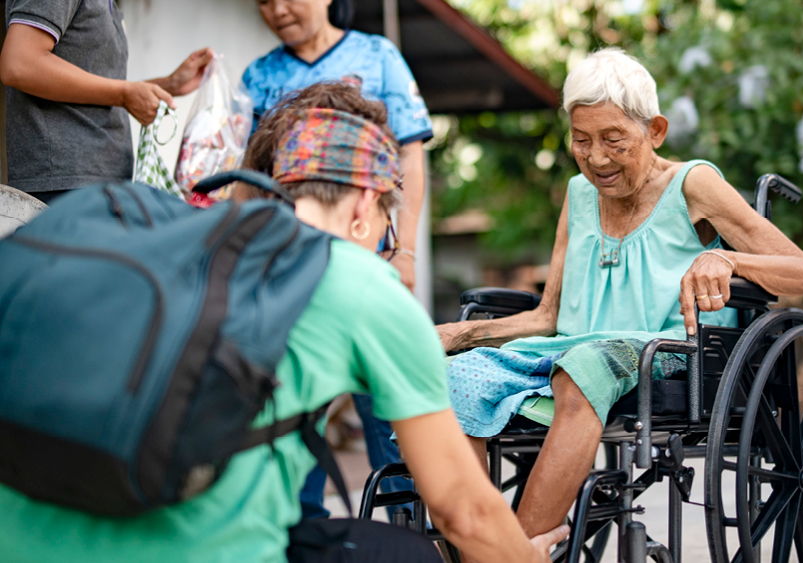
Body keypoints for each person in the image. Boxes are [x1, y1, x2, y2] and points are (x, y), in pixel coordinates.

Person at [0, 82, 568, 563]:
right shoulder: (358, 281)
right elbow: (464, 511)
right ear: (365, 205)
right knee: (412, 553)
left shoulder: (156, 239)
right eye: (385, 233)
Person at [435, 48, 803, 540]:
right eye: (581, 140)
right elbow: (549, 315)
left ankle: (514, 554)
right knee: (452, 377)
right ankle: (480, 546)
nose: (596, 157)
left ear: (654, 132)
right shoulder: (577, 194)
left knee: (584, 366)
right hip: (568, 350)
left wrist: (727, 258)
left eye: (613, 139)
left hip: (668, 353)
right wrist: (461, 333)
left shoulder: (693, 184)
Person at [242, 0, 431, 519]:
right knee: (297, 418)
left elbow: (410, 156)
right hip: (292, 272)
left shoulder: (378, 55)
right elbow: (250, 179)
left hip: (372, 262)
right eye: (263, 0)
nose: (277, 10)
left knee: (388, 419)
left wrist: (405, 249)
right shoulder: (259, 75)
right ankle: (303, 537)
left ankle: (408, 532)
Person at [0, 0, 212, 203]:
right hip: (65, 186)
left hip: (99, 184)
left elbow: (89, 83)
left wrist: (169, 84)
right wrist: (123, 94)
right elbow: (20, 64)